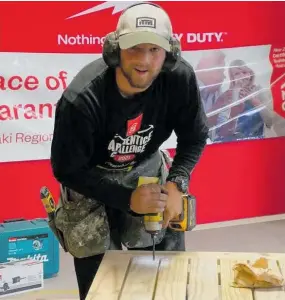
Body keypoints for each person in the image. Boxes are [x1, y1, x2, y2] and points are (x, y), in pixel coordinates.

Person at [50, 2, 209, 300]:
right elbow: (66, 169)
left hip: (146, 167)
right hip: (90, 177)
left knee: (164, 269)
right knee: (98, 274)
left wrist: (177, 183)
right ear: (115, 49)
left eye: (155, 50)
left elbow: (195, 136)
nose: (144, 61)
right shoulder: (82, 99)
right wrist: (125, 198)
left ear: (170, 53)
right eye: (134, 48)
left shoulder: (179, 79)